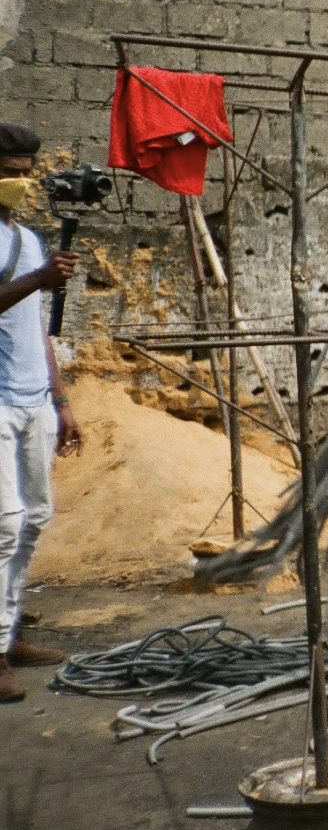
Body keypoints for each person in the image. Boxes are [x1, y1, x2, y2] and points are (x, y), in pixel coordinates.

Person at [0, 122, 83, 704]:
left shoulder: (29, 239)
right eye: (9, 171)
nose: (19, 183)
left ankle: (9, 631)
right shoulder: (29, 257)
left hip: (34, 401)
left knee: (35, 518)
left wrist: (63, 400)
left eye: (26, 174)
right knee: (3, 526)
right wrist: (38, 278)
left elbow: (38, 330)